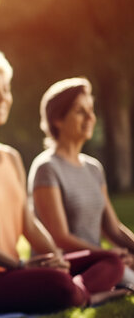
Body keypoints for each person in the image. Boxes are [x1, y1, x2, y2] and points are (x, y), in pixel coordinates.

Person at [0, 51, 125, 314]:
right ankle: (89, 295)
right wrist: (20, 266)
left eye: (5, 90)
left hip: (12, 272)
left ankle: (75, 290)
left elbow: (28, 223)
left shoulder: (10, 157)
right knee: (57, 283)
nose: (3, 98)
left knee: (110, 260)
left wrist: (56, 257)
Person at [28, 77, 134, 290]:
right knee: (123, 274)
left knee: (122, 270)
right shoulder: (47, 167)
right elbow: (60, 237)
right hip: (67, 265)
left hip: (100, 259)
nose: (90, 117)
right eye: (79, 111)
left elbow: (112, 228)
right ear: (57, 119)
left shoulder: (93, 168)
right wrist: (107, 254)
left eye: (91, 110)